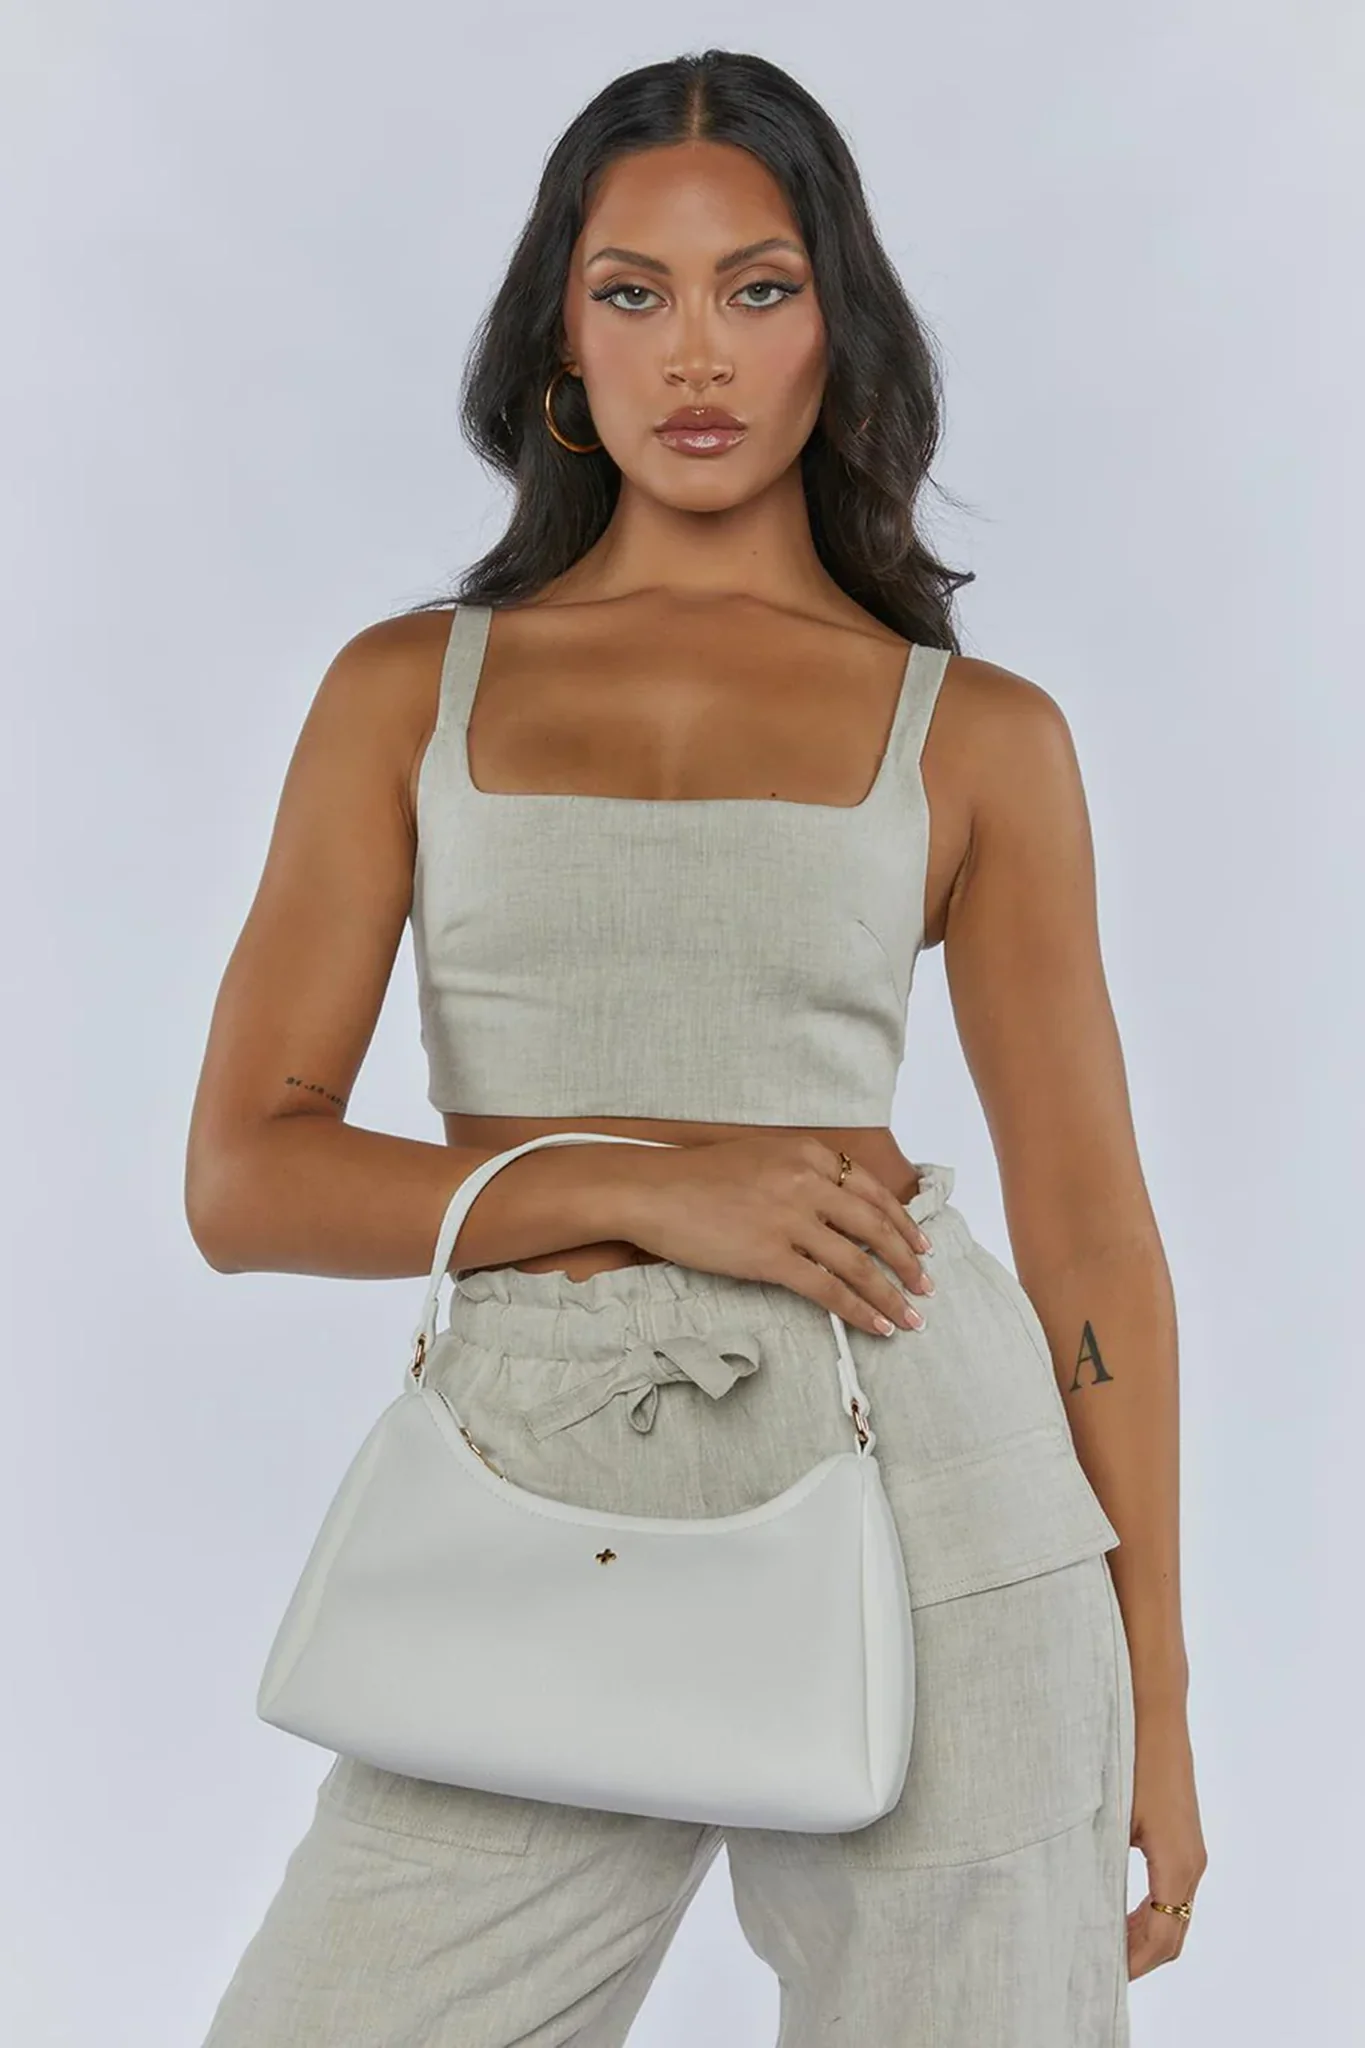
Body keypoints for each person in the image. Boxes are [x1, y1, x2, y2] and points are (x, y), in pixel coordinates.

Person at [185, 45, 1206, 2048]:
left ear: (840, 326)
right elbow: (243, 1178)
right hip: (534, 1477)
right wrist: (651, 1189)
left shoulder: (978, 736)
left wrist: (1155, 1689)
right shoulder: (405, 693)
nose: (698, 353)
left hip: (939, 1486)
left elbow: (1093, 1238)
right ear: (560, 342)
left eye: (758, 286)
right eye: (632, 292)